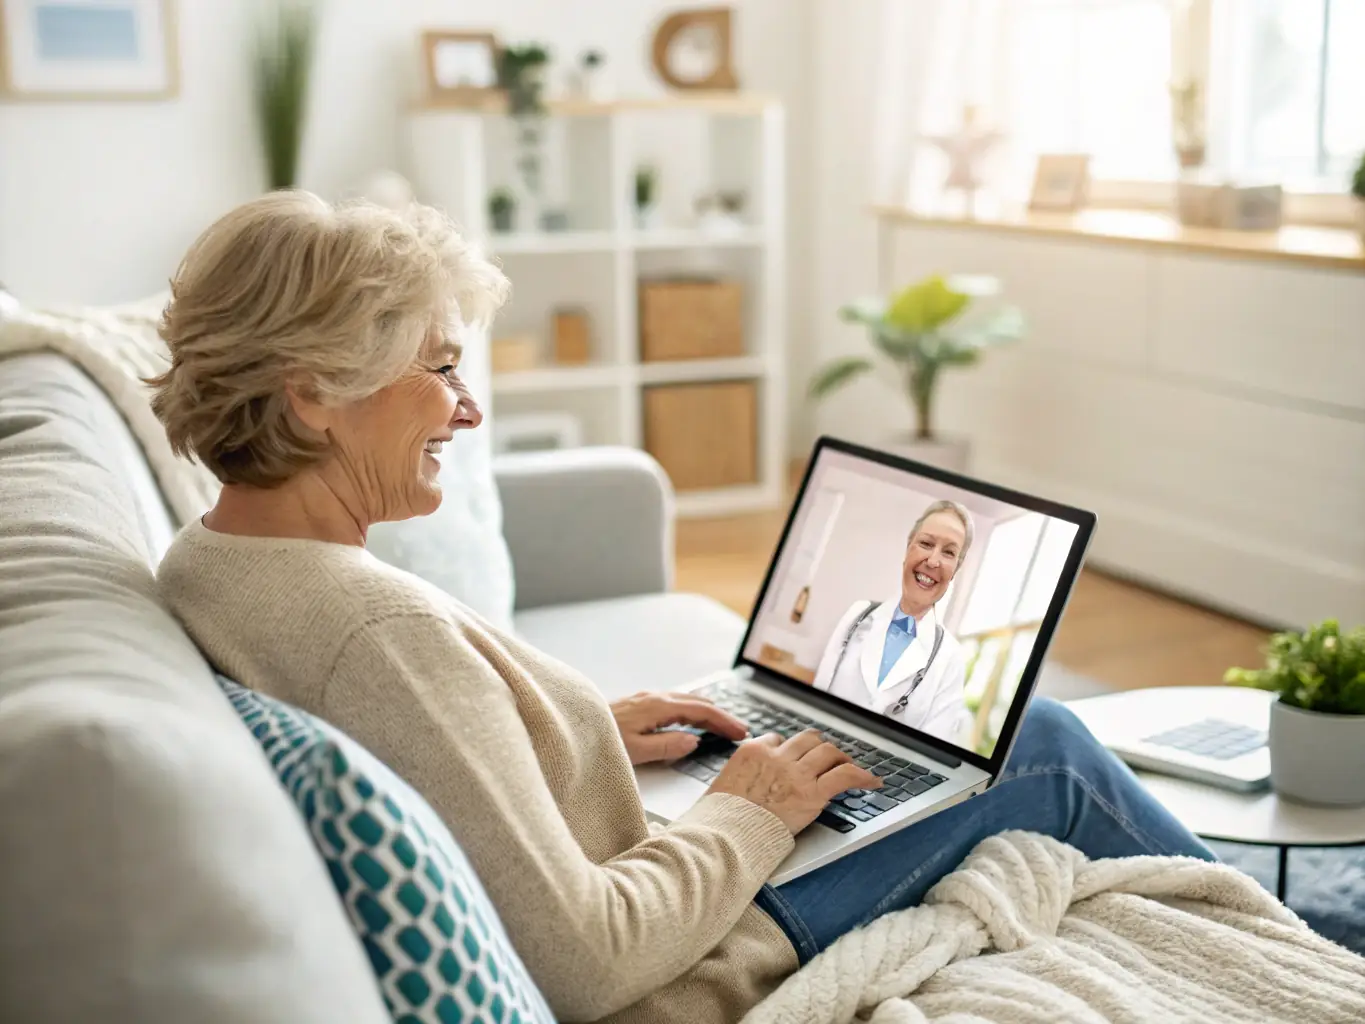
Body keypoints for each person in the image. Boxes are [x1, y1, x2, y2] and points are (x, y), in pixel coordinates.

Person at [149, 191, 1216, 1024]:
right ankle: (1285, 938)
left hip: (652, 875)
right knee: (1044, 743)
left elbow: (423, 755)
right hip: (688, 967)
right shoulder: (378, 635)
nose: (467, 408)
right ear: (312, 391)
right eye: (438, 367)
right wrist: (747, 810)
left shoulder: (211, 563)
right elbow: (587, 961)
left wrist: (568, 737)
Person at [811, 500, 972, 742]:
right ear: (908, 548)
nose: (933, 561)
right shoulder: (858, 613)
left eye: (948, 552)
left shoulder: (951, 657)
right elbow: (814, 702)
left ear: (956, 569)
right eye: (926, 544)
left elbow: (934, 752)